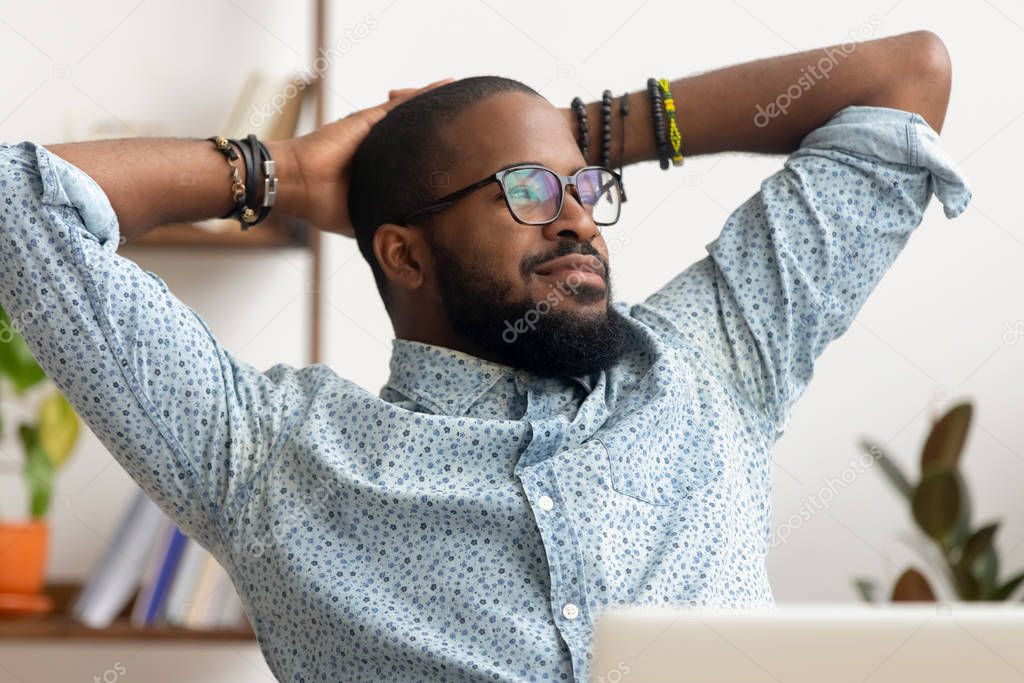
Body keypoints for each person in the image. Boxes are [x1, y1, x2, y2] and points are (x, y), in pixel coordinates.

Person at [0, 29, 971, 683]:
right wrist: (284, 172)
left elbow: (905, 79)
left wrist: (578, 129)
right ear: (402, 250)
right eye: (527, 191)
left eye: (586, 189)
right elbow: (17, 206)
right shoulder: (272, 458)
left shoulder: (713, 356)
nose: (581, 219)